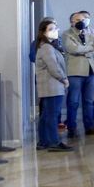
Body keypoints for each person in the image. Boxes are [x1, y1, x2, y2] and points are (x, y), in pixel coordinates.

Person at [61, 10, 94, 140]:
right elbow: (73, 49)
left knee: (89, 101)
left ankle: (89, 127)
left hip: (91, 71)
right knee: (73, 101)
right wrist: (90, 49)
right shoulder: (66, 34)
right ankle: (72, 128)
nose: (82, 22)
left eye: (83, 20)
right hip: (75, 72)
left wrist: (88, 50)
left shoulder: (91, 33)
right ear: (72, 22)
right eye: (78, 20)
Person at [33, 18, 72, 151]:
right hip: (52, 86)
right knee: (51, 115)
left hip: (49, 86)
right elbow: (54, 67)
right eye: (51, 29)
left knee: (46, 115)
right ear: (43, 32)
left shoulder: (48, 46)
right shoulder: (46, 48)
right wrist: (64, 79)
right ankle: (53, 142)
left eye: (55, 28)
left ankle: (44, 141)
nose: (55, 31)